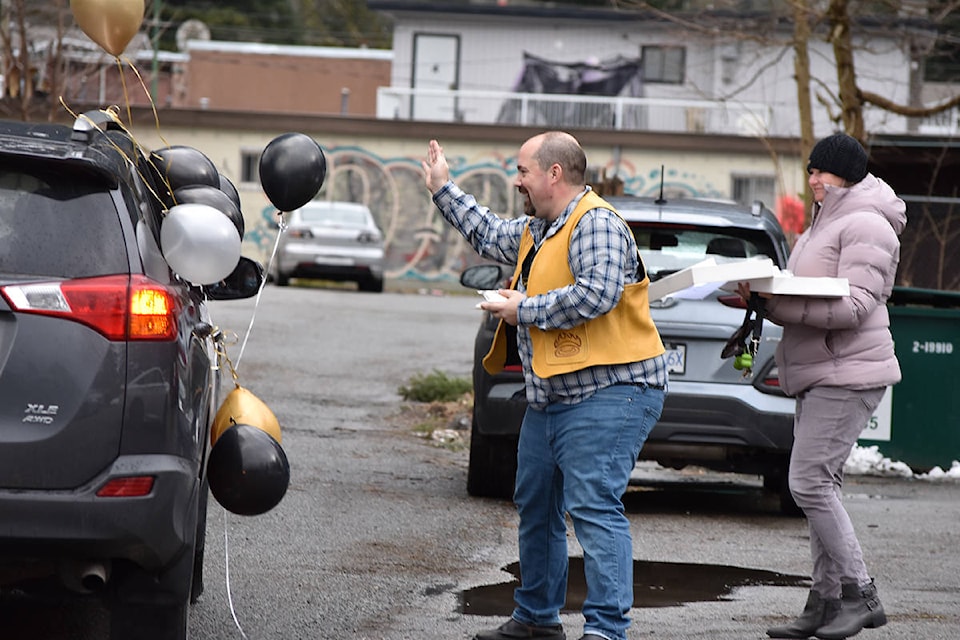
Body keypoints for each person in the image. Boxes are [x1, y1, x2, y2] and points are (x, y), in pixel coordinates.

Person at [422, 132, 668, 640]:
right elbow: (489, 233)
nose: (517, 181)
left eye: (523, 171)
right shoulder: (541, 227)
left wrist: (521, 309)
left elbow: (596, 295)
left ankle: (606, 630)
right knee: (536, 504)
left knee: (594, 506)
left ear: (554, 174)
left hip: (611, 390)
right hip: (553, 395)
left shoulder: (595, 222)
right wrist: (443, 187)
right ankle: (536, 618)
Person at [738, 133, 905, 640]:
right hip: (820, 371)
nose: (812, 179)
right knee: (819, 487)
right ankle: (825, 601)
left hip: (847, 373)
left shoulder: (867, 224)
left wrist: (775, 305)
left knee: (808, 483)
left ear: (847, 175)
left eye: (822, 172)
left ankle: (862, 595)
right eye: (810, 170)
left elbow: (854, 308)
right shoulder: (825, 220)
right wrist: (756, 298)